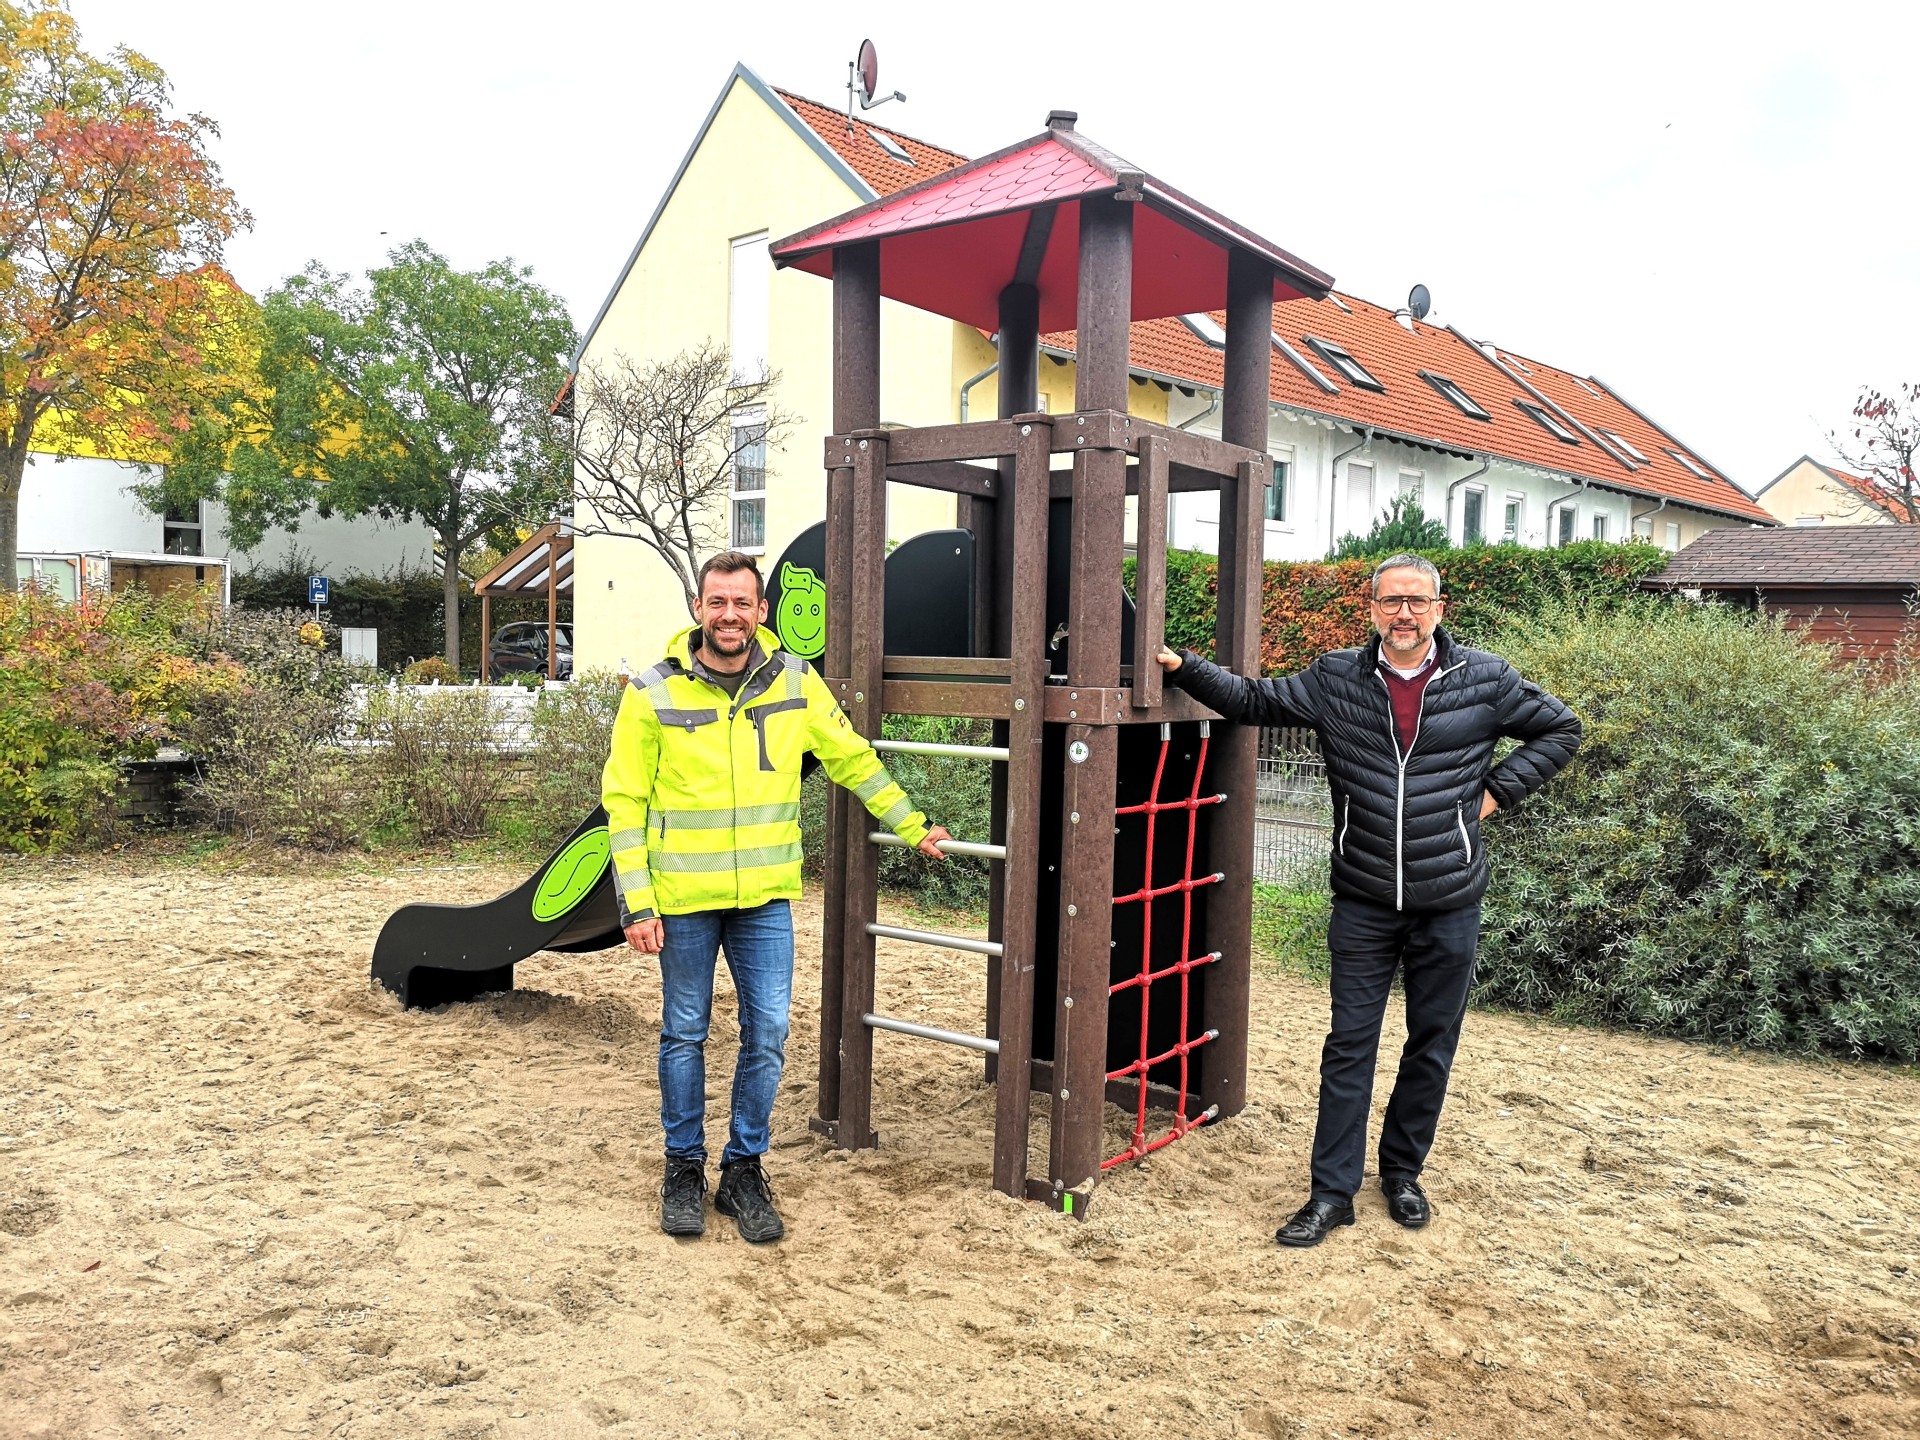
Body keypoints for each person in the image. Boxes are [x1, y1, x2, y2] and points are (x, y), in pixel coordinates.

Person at [1156, 553, 1580, 1248]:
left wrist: (1497, 793)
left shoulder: (1486, 679)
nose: (1404, 614)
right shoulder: (1334, 678)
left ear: (1440, 609)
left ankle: (1403, 1174)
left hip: (1450, 896)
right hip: (1363, 896)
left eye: (1417, 601)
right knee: (1349, 1045)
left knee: (1430, 1043)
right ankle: (1331, 1194)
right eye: (1391, 602)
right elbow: (1253, 701)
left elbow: (1561, 729)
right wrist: (1184, 667)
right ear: (1372, 609)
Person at [603, 551, 951, 1243]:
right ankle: (681, 1168)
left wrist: (910, 824)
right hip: (684, 898)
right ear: (698, 609)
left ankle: (742, 1171)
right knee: (685, 1034)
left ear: (763, 612)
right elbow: (624, 802)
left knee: (766, 1034)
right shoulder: (653, 693)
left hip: (764, 898)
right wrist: (638, 903)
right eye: (717, 602)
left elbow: (851, 755)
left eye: (742, 603)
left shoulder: (795, 681)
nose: (729, 614)